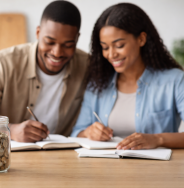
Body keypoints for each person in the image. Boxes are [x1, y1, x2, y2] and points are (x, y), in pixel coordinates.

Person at [0, 1, 89, 142]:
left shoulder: (88, 66)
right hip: (11, 158)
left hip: (65, 158)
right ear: (38, 33)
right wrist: (8, 130)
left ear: (77, 39)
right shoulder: (4, 63)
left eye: (68, 45)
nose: (57, 52)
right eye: (49, 42)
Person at [71, 3, 184, 150]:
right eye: (105, 47)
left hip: (156, 170)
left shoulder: (174, 80)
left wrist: (157, 139)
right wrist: (88, 132)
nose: (111, 54)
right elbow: (76, 134)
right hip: (104, 169)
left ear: (141, 39)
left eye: (119, 45)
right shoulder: (98, 84)